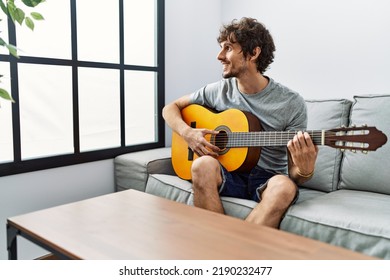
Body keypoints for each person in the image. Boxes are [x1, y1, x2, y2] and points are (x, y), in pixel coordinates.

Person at [162, 17, 318, 229]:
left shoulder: (291, 103)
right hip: (227, 171)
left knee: (285, 187)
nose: (219, 56)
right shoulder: (218, 90)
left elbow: (295, 175)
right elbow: (169, 108)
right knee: (201, 165)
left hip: (267, 178)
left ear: (253, 53)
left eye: (228, 48)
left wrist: (305, 171)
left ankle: (235, 249)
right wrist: (187, 132)